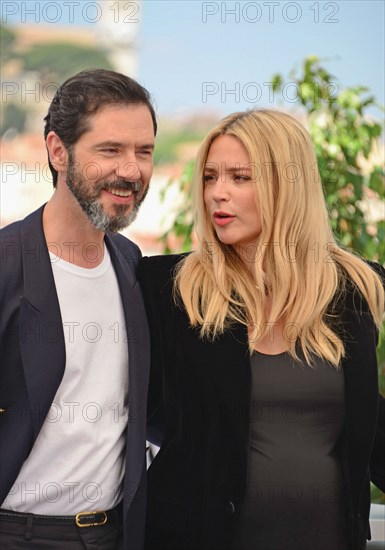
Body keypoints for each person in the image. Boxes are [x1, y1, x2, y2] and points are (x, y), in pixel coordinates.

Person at [139, 109, 385, 550]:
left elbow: (367, 419)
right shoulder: (169, 289)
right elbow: (144, 408)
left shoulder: (356, 287)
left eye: (240, 177)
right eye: (211, 177)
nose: (218, 193)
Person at [0, 68, 156, 550]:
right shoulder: (6, 265)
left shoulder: (131, 264)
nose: (130, 170)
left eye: (144, 152)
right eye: (109, 150)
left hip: (115, 534)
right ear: (57, 150)